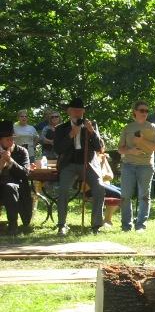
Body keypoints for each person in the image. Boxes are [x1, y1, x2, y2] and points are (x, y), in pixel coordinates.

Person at [53, 97, 106, 235]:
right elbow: (58, 149)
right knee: (63, 190)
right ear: (69, 112)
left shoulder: (91, 125)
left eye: (80, 110)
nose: (78, 113)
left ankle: (96, 225)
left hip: (88, 163)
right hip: (69, 164)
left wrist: (92, 131)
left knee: (99, 188)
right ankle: (62, 225)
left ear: (83, 111)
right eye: (75, 110)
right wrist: (71, 135)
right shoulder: (61, 128)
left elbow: (99, 147)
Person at [118, 100, 155, 232]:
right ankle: (126, 226)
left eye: (147, 111)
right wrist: (131, 151)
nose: (144, 113)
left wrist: (142, 140)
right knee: (125, 196)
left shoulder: (153, 127)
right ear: (135, 112)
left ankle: (141, 225)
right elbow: (120, 149)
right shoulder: (127, 128)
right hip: (128, 165)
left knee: (144, 196)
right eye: (142, 110)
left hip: (146, 166)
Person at [0, 120, 33, 235]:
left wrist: (10, 161)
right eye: (7, 139)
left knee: (10, 187)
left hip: (17, 186)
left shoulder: (22, 151)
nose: (11, 142)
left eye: (12, 139)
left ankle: (13, 225)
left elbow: (25, 173)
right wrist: (2, 162)